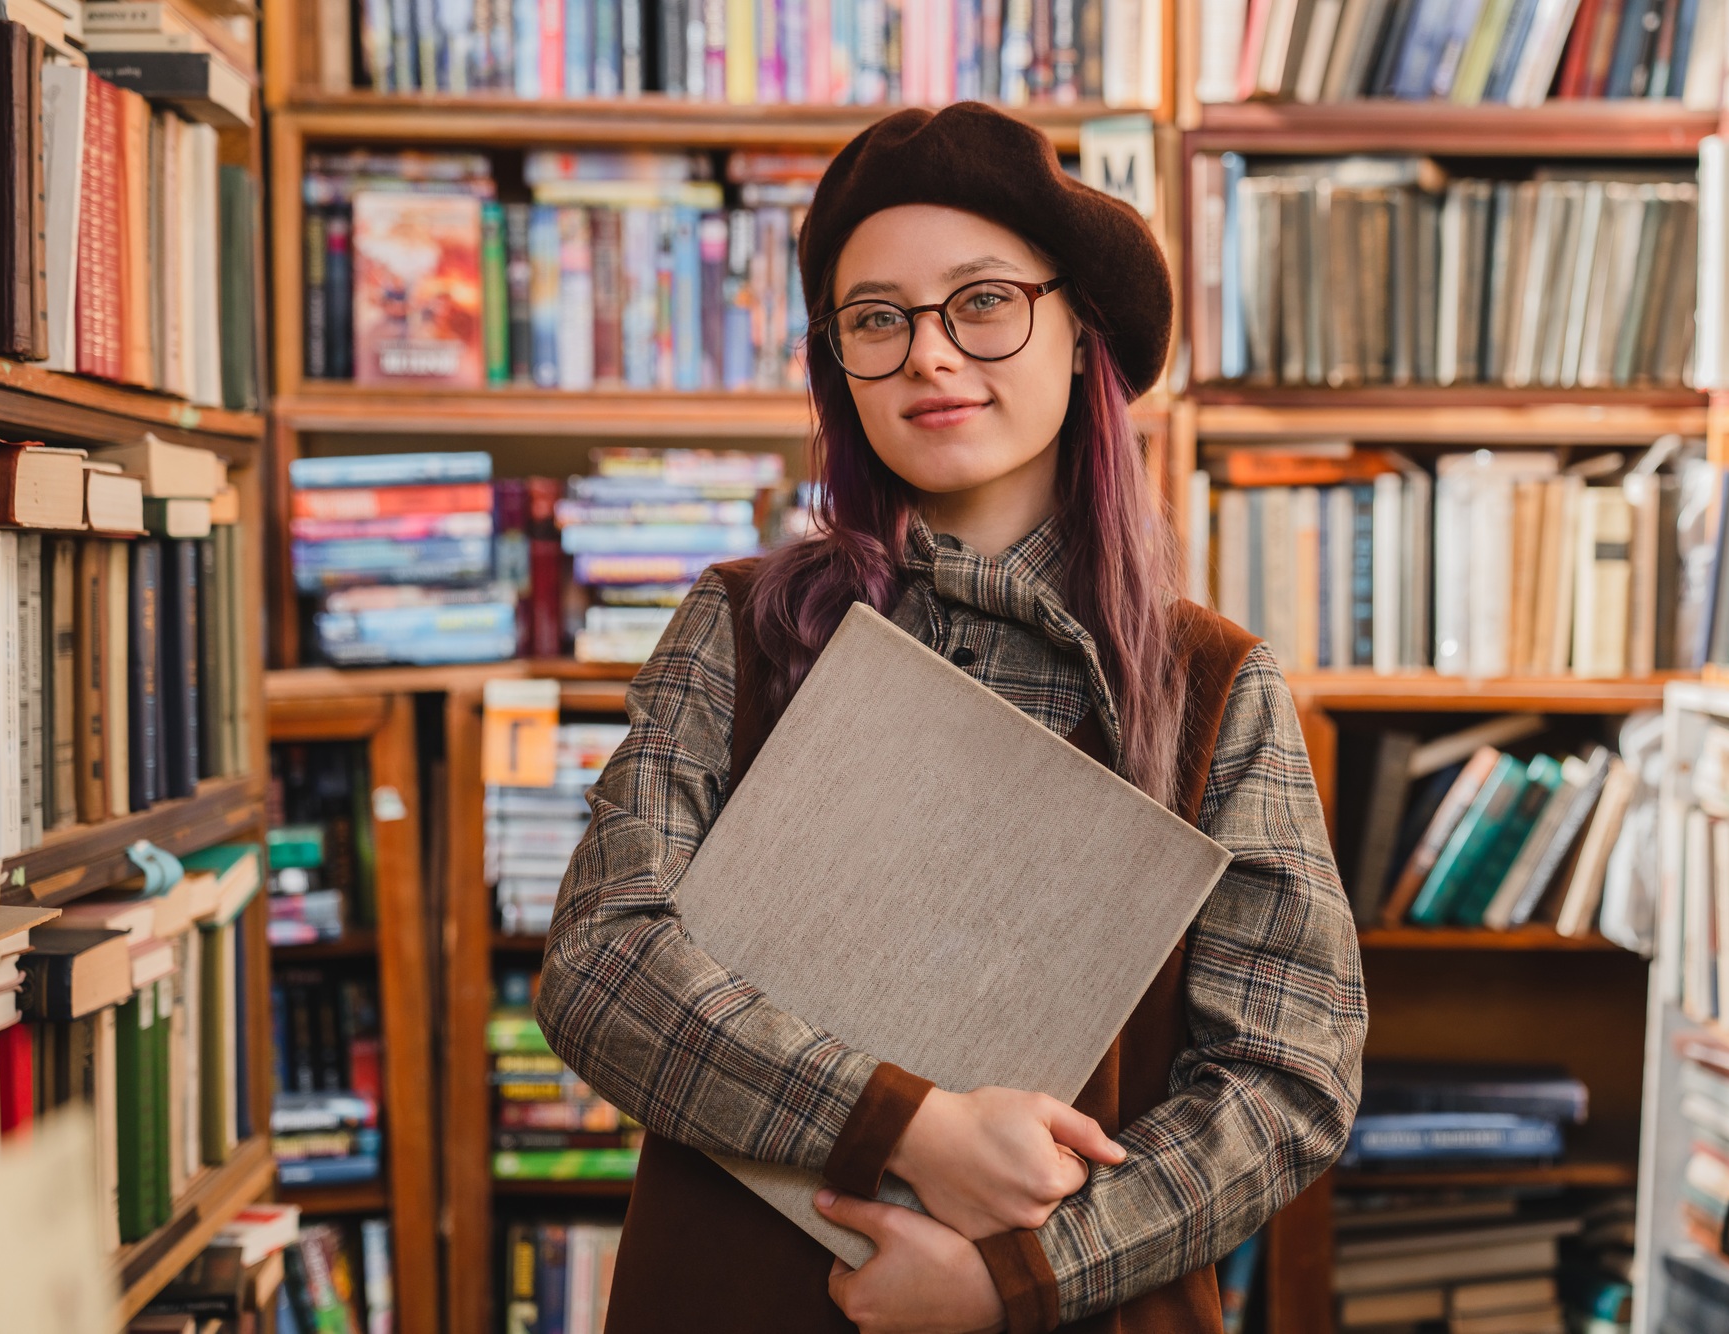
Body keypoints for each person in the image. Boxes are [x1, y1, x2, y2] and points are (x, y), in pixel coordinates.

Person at [536, 101, 1367, 1334]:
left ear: (1080, 328)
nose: (928, 353)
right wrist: (909, 1126)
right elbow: (600, 967)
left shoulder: (1211, 685)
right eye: (877, 318)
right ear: (840, 364)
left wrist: (1011, 1278)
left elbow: (1287, 1077)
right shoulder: (740, 628)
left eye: (981, 301)